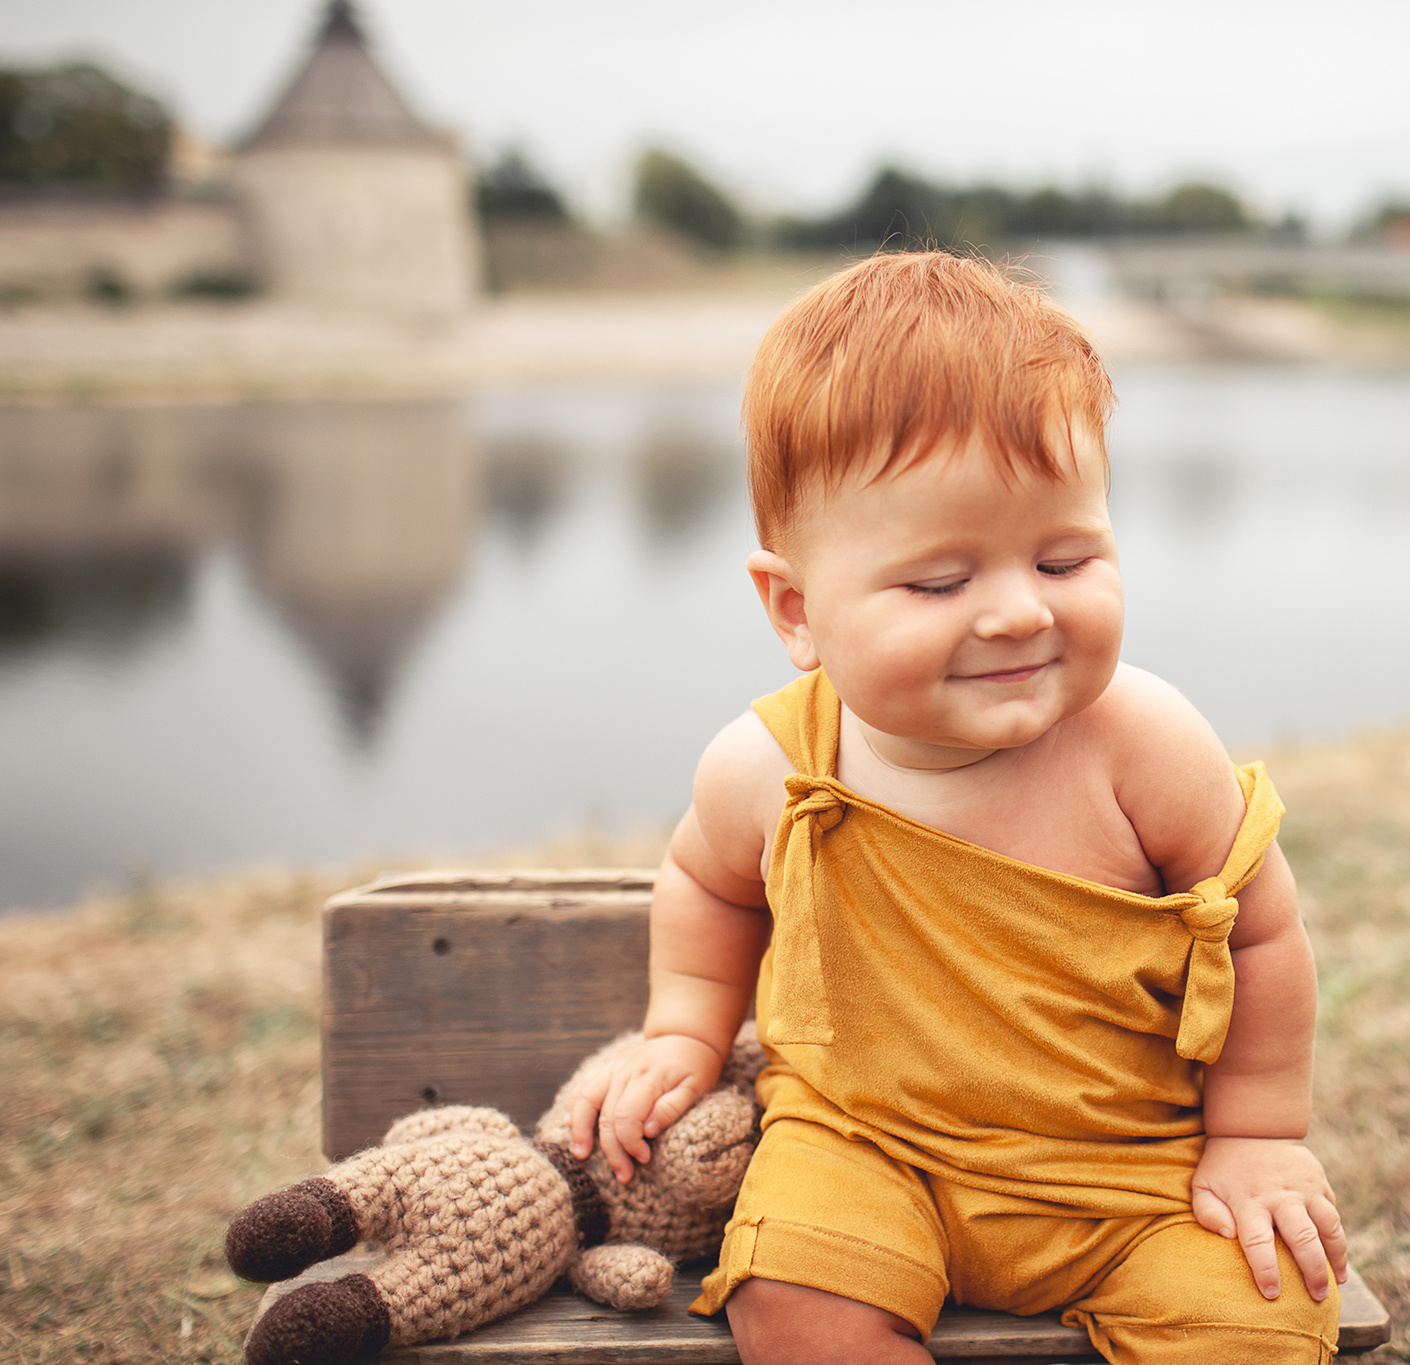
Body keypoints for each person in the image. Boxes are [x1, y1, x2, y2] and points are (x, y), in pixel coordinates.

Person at [567, 250, 1346, 1364]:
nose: (1017, 612)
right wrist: (685, 1026)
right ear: (795, 609)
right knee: (788, 1304)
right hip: (864, 1148)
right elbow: (706, 881)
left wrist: (1258, 1136)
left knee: (1255, 1315)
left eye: (1068, 558)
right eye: (939, 583)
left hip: (1134, 1174)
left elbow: (1263, 932)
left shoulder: (1145, 746)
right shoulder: (769, 768)